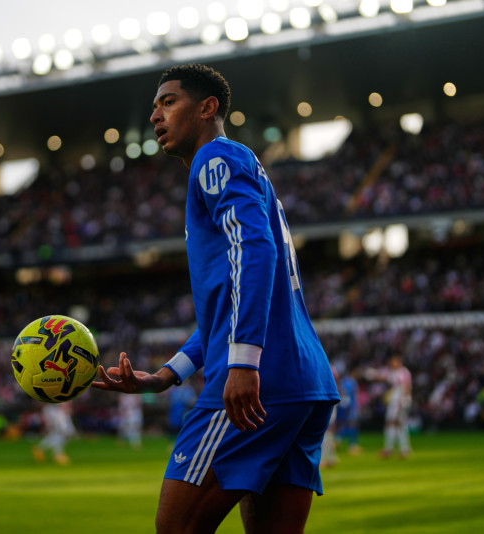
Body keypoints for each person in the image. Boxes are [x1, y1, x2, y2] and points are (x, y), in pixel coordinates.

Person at [92, 63, 340, 534]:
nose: (156, 115)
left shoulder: (214, 158)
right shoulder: (239, 165)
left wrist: (243, 362)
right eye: (155, 106)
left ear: (208, 108)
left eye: (169, 102)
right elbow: (227, 303)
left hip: (261, 378)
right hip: (303, 381)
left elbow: (255, 249)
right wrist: (168, 375)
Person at [366, 354, 412, 458]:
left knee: (394, 423)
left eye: (394, 361)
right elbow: (383, 377)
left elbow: (406, 386)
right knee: (396, 424)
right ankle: (400, 449)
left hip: (399, 401)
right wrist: (372, 374)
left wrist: (404, 399)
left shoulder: (403, 372)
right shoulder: (394, 372)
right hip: (395, 400)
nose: (392, 363)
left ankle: (394, 449)